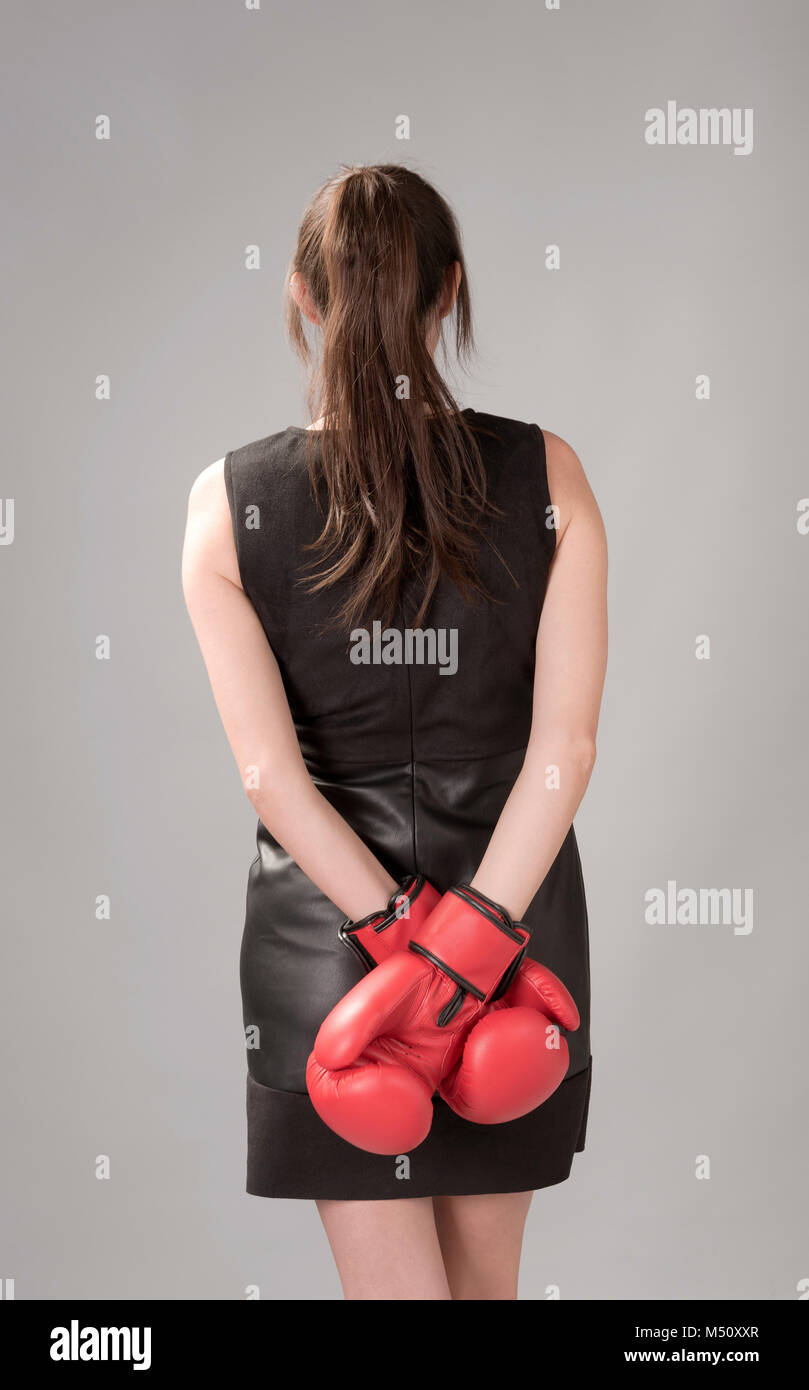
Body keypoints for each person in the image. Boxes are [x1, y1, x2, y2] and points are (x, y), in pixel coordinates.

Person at [182, 163, 607, 1300]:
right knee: (486, 1295)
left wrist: (394, 942)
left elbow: (271, 775)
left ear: (302, 297)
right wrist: (462, 953)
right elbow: (563, 756)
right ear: (449, 292)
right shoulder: (547, 474)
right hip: (512, 954)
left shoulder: (229, 505)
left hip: (331, 964)